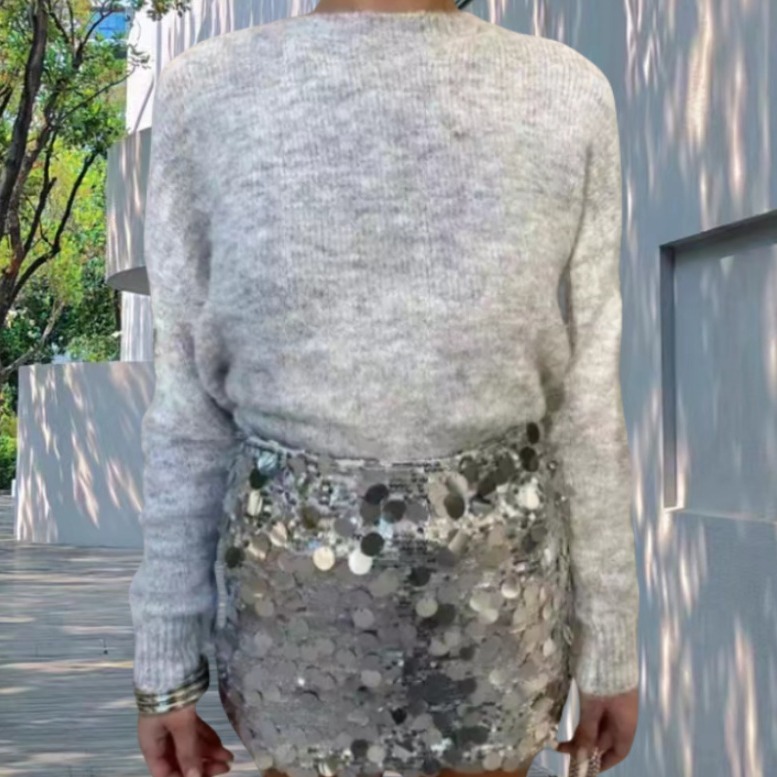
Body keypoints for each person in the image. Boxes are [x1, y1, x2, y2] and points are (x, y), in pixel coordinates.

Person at [129, 1, 641, 776]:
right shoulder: (201, 93)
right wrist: (166, 661)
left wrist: (610, 646)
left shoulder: (567, 93)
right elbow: (187, 408)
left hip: (497, 625)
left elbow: (586, 402)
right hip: (292, 636)